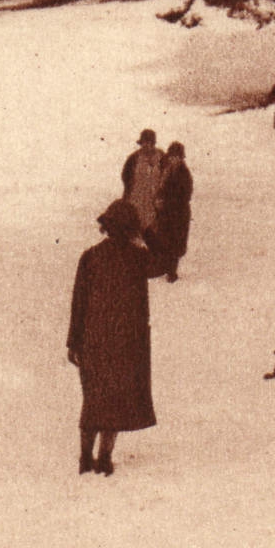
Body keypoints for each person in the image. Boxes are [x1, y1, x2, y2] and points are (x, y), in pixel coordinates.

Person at [66, 199, 172, 477]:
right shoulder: (137, 258)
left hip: (93, 339)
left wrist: (72, 342)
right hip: (126, 341)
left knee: (93, 399)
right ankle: (104, 458)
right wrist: (148, 232)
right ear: (130, 229)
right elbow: (165, 261)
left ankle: (85, 458)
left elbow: (79, 302)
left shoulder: (89, 257)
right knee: (115, 401)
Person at [153, 142, 193, 282]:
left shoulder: (184, 174)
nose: (173, 159)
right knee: (165, 240)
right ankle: (165, 268)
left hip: (178, 214)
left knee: (175, 243)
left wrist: (166, 202)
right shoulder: (167, 171)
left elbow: (185, 196)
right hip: (166, 214)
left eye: (176, 157)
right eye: (172, 156)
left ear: (181, 158)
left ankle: (172, 272)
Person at [120, 129, 166, 233]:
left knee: (155, 227)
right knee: (136, 226)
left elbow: (168, 178)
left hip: (155, 200)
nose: (146, 146)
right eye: (144, 143)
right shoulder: (134, 158)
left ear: (153, 143)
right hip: (137, 199)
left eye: (149, 143)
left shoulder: (162, 157)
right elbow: (125, 176)